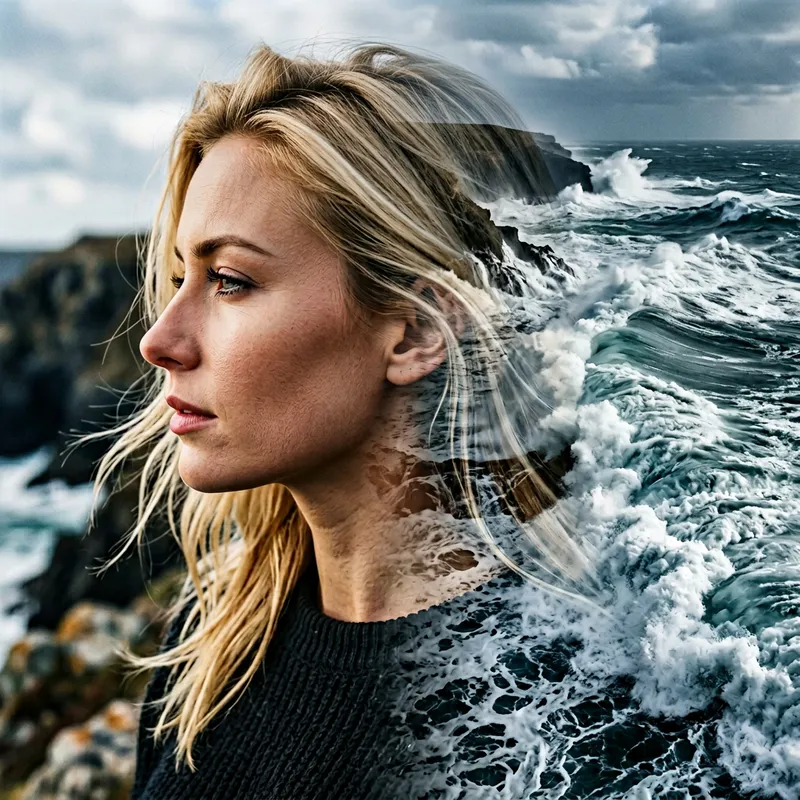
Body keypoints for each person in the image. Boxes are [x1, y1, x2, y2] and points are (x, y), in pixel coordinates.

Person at [80, 39, 597, 799]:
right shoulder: (218, 633)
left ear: (417, 331)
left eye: (228, 280)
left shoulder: (551, 716)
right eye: (179, 277)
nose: (159, 343)